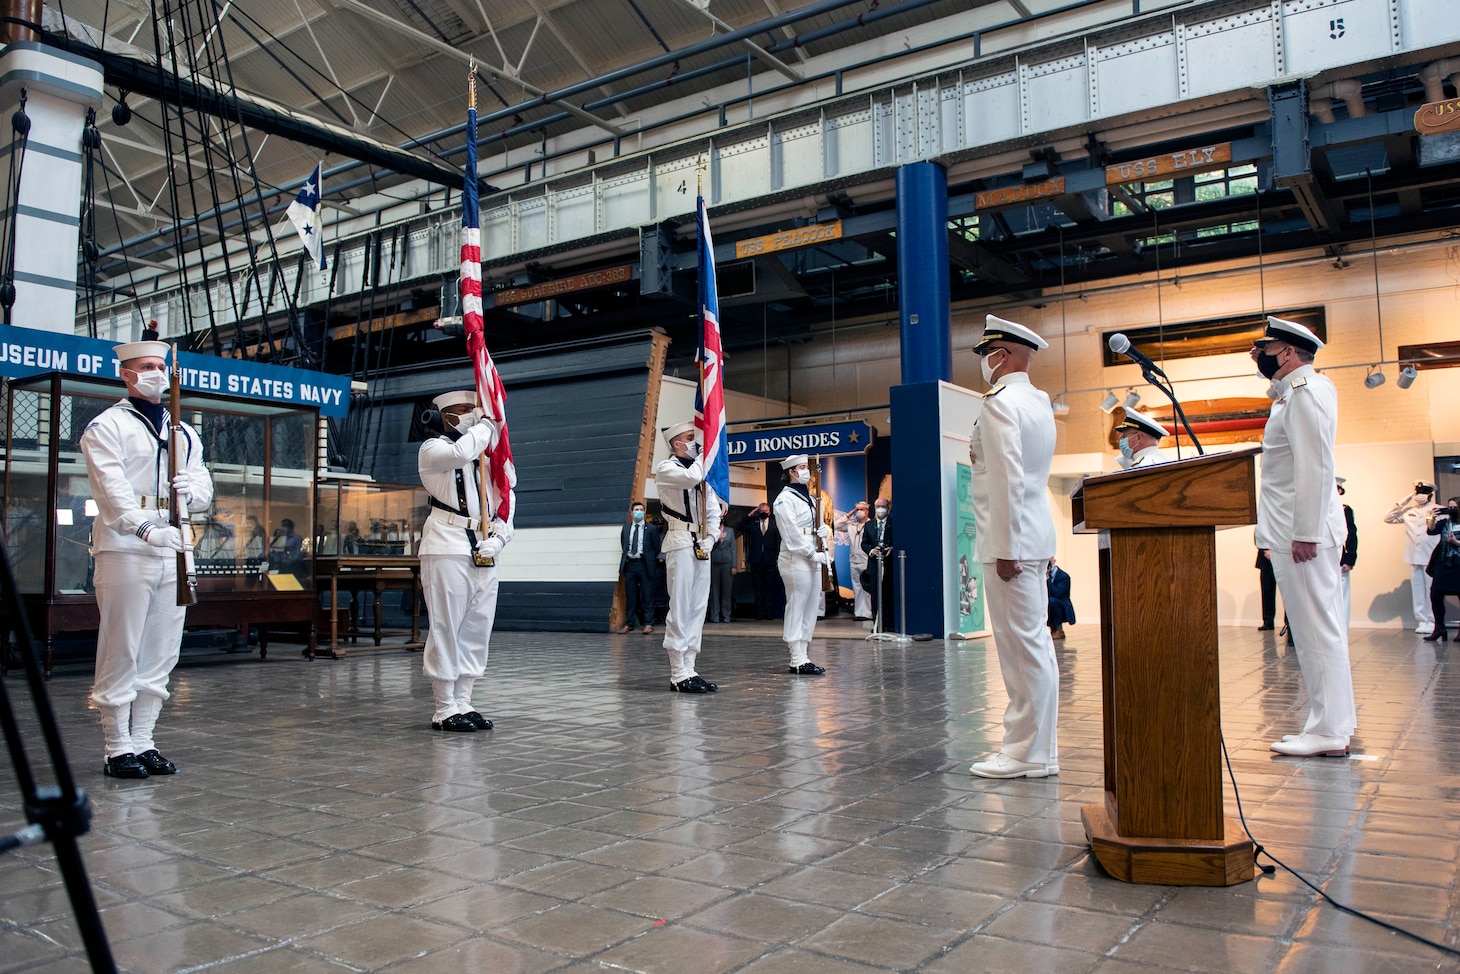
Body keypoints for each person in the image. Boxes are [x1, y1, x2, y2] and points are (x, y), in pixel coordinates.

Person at [79, 338, 214, 779]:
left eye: (162, 365)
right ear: (127, 373)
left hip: (176, 544)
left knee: (161, 648)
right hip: (127, 547)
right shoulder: (106, 426)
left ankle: (144, 740)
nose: (157, 372)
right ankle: (117, 745)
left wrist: (188, 494)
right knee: (122, 646)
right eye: (148, 365)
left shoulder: (183, 431)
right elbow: (112, 494)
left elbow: (204, 489)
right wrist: (147, 529)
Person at [1251, 316, 1356, 758]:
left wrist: (1306, 534)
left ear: (1288, 353)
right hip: (1293, 531)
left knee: (1317, 632)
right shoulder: (1297, 393)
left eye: (1266, 348)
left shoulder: (1306, 393)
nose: (1259, 356)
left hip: (1302, 536)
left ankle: (1329, 730)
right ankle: (1327, 725)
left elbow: (1315, 466)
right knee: (1315, 633)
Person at [966, 315, 1059, 780]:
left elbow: (1005, 479)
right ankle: (1040, 749)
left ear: (1001, 354)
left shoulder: (1000, 403)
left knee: (1020, 650)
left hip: (1011, 545)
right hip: (1032, 536)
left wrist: (1005, 547)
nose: (985, 364)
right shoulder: (1038, 401)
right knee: (1033, 645)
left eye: (987, 354)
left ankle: (1025, 752)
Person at [417, 390, 513, 732]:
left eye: (476, 410)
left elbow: (506, 499)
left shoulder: (487, 458)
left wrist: (501, 538)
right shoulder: (433, 450)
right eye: (464, 411)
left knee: (476, 627)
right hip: (446, 545)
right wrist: (487, 425)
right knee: (446, 627)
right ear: (447, 417)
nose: (473, 415)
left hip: (483, 547)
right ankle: (444, 707)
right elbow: (461, 452)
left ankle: (464, 701)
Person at [655, 420, 722, 692]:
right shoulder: (666, 468)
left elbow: (713, 511)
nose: (695, 442)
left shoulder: (700, 472)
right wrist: (706, 455)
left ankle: (691, 668)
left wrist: (712, 537)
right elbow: (691, 478)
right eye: (690, 437)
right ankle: (677, 672)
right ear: (676, 443)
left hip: (700, 543)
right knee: (680, 606)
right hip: (680, 540)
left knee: (697, 607)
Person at [774, 454, 830, 675]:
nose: (808, 471)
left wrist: (822, 532)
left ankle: (804, 654)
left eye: (808, 467)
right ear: (792, 472)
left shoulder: (808, 497)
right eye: (803, 467)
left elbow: (812, 526)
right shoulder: (784, 499)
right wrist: (811, 553)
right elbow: (791, 534)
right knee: (797, 604)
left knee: (811, 606)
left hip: (812, 554)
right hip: (795, 557)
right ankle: (796, 656)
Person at [1384, 480, 1442, 635]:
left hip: (1430, 556)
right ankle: (1422, 621)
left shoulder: (1438, 510)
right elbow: (1388, 518)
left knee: (1431, 590)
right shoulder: (1410, 511)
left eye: (1423, 493)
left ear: (1430, 494)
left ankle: (1433, 620)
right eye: (1418, 493)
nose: (1420, 496)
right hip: (1413, 556)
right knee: (1417, 590)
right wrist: (1406, 499)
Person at [618, 501, 661, 634]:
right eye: (636, 509)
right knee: (630, 595)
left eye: (641, 509)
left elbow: (656, 547)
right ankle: (629, 623)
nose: (639, 511)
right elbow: (624, 544)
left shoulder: (651, 529)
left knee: (647, 594)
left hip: (644, 564)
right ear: (631, 512)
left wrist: (648, 558)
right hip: (630, 564)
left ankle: (648, 623)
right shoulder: (626, 528)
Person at [1423, 497, 1460, 642]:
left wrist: (1455, 542)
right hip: (1443, 563)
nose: (1451, 510)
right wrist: (1430, 516)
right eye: (1449, 507)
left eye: (1454, 507)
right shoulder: (1445, 522)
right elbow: (1430, 530)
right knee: (1436, 594)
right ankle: (1439, 628)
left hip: (1458, 564)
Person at [740, 501, 780, 619]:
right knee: (758, 588)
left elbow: (778, 541)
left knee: (769, 587)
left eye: (765, 512)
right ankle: (760, 613)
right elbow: (740, 527)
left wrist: (778, 557)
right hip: (756, 560)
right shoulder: (753, 523)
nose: (763, 513)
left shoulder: (774, 524)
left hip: (770, 560)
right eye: (761, 511)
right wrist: (750, 515)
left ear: (769, 512)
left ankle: (769, 613)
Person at [860, 498, 895, 631]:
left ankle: (889, 625)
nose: (880, 509)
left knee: (888, 596)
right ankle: (877, 625)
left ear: (888, 507)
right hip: (874, 567)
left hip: (889, 566)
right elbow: (863, 543)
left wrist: (891, 548)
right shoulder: (869, 525)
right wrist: (871, 551)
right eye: (878, 506)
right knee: (875, 596)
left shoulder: (893, 523)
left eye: (883, 506)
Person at [836, 500, 872, 620]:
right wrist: (849, 515)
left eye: (861, 510)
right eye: (857, 510)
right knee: (857, 587)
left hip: (866, 560)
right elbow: (838, 525)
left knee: (866, 588)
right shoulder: (852, 526)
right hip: (853, 560)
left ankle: (868, 612)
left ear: (867, 511)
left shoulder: (871, 525)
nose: (859, 512)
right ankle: (859, 613)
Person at [708, 504, 736, 623]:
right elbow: (708, 546)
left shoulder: (730, 531)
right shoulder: (711, 531)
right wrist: (716, 538)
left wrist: (734, 565)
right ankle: (714, 616)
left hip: (727, 563)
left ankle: (726, 616)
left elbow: (733, 549)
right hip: (715, 562)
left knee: (726, 590)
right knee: (714, 590)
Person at [1338, 477, 1357, 626]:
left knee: (1342, 598)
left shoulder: (1344, 509)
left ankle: (1342, 631)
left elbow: (1351, 534)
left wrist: (1350, 559)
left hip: (1339, 559)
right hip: (1321, 559)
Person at [1047, 558, 1074, 640]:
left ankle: (1058, 629)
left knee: (1052, 601)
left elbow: (1057, 593)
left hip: (1062, 602)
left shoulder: (1063, 576)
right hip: (1051, 600)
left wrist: (1047, 579)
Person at [1255, 547, 1277, 631]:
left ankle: (1288, 624)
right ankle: (1268, 621)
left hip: (1283, 555)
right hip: (1265, 557)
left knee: (1288, 593)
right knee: (1267, 590)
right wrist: (1265, 550)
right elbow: (1259, 535)